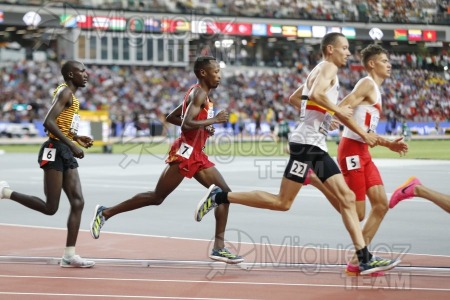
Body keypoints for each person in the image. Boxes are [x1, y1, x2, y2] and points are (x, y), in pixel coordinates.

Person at [194, 33, 400, 275]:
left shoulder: (317, 70)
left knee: (290, 202)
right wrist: (338, 112)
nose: (348, 53)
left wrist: (324, 116)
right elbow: (317, 96)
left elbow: (297, 98)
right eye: (344, 48)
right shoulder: (328, 68)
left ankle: (221, 197)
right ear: (330, 49)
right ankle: (364, 258)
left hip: (310, 143)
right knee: (324, 199)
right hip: (308, 146)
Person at [89, 56, 243, 264]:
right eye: (215, 71)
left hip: (197, 154)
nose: (219, 75)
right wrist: (213, 120)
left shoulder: (201, 94)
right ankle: (105, 212)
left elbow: (172, 117)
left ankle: (218, 247)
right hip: (185, 153)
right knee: (156, 197)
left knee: (225, 195)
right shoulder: (198, 93)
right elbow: (186, 124)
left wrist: (204, 125)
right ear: (203, 73)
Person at [305, 44, 408, 276]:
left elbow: (365, 130)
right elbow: (343, 107)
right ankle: (314, 179)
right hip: (351, 150)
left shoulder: (376, 90)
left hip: (363, 150)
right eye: (384, 60)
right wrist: (331, 118)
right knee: (358, 212)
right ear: (372, 64)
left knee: (381, 205)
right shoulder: (366, 84)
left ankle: (358, 260)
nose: (389, 64)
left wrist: (388, 143)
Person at [0, 60, 95, 268]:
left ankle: (69, 256)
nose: (86, 74)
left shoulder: (71, 96)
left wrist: (77, 138)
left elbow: (60, 123)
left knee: (78, 202)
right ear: (70, 75)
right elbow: (48, 122)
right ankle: (5, 192)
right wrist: (72, 144)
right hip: (54, 150)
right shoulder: (65, 93)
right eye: (81, 71)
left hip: (64, 148)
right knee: (50, 207)